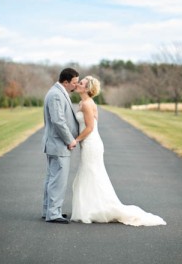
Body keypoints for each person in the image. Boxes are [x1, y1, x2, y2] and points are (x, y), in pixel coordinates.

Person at [70, 76, 166, 226]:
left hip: (91, 144)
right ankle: (92, 208)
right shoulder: (83, 103)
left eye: (81, 83)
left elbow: (90, 128)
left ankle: (97, 209)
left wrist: (76, 140)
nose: (77, 84)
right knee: (90, 173)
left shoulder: (88, 104)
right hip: (90, 143)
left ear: (87, 88)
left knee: (91, 174)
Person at [42, 67, 79, 224]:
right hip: (58, 144)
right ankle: (53, 213)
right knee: (58, 180)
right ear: (65, 82)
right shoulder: (56, 95)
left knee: (52, 178)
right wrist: (70, 139)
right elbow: (58, 121)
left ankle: (48, 210)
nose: (76, 86)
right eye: (74, 83)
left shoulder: (58, 92)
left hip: (55, 144)